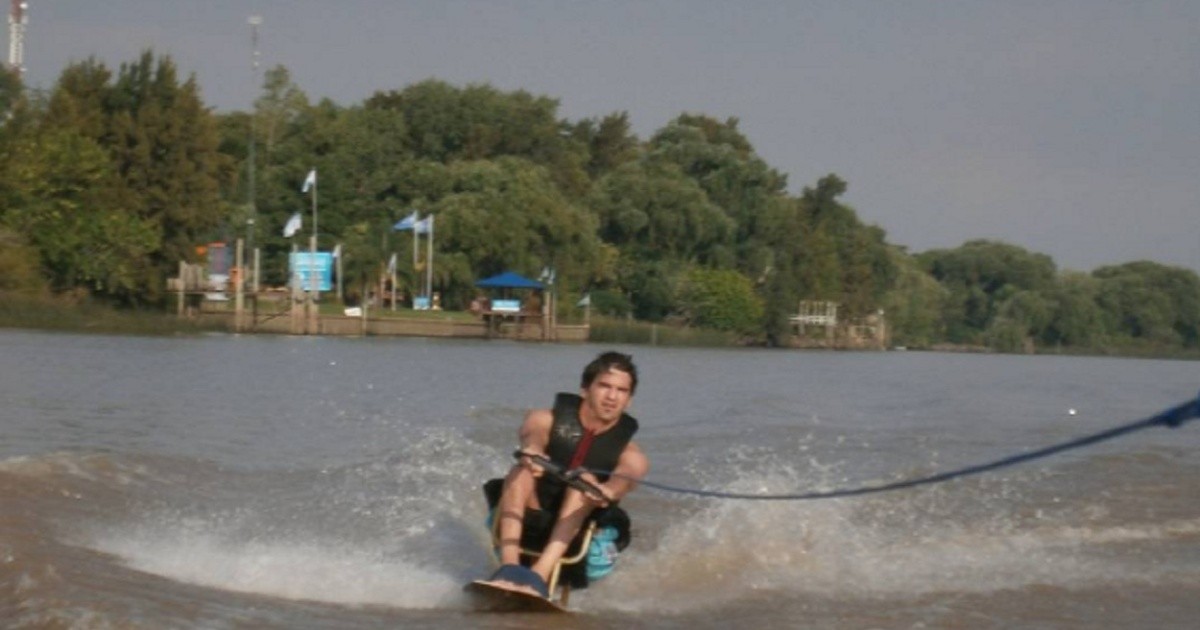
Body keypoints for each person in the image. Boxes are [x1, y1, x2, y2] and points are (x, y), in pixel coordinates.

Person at [483, 351, 649, 599]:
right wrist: (533, 451)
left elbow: (626, 475)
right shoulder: (544, 419)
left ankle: (539, 576)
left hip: (579, 546)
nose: (612, 397)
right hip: (528, 525)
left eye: (621, 390)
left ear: (629, 400)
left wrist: (608, 490)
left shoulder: (632, 454)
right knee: (522, 471)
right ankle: (509, 569)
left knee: (583, 485)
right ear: (585, 389)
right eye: (604, 386)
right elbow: (533, 433)